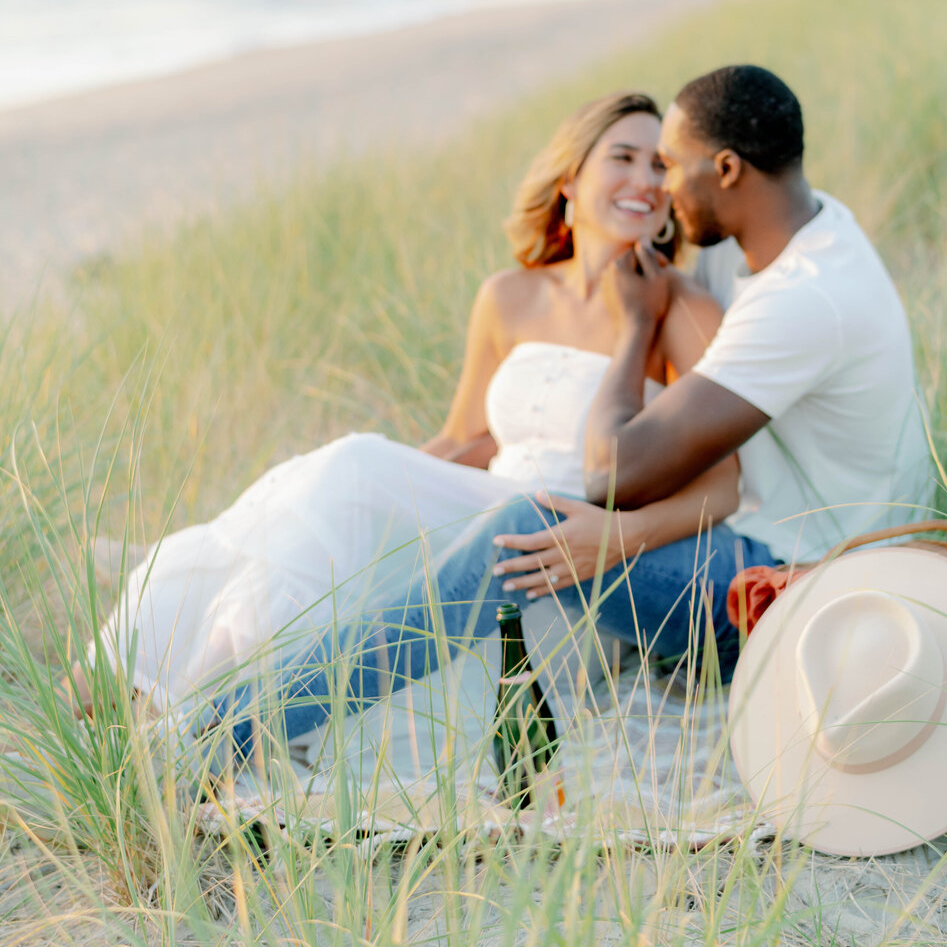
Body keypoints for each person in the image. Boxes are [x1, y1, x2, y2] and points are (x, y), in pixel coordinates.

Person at [203, 65, 933, 765]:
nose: (659, 188)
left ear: (730, 170)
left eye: (670, 166)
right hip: (752, 540)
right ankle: (216, 677)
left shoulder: (803, 298)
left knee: (522, 530)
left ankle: (219, 735)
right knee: (362, 483)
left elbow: (618, 470)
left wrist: (633, 339)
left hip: (792, 583)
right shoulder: (773, 230)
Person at [79, 91, 733, 721]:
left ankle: (196, 703)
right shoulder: (509, 297)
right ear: (569, 178)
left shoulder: (682, 311)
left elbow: (720, 491)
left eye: (659, 165)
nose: (644, 180)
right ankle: (132, 688)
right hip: (481, 521)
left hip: (568, 551)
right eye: (622, 157)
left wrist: (617, 541)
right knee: (324, 500)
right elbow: (465, 439)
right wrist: (360, 497)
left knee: (351, 471)